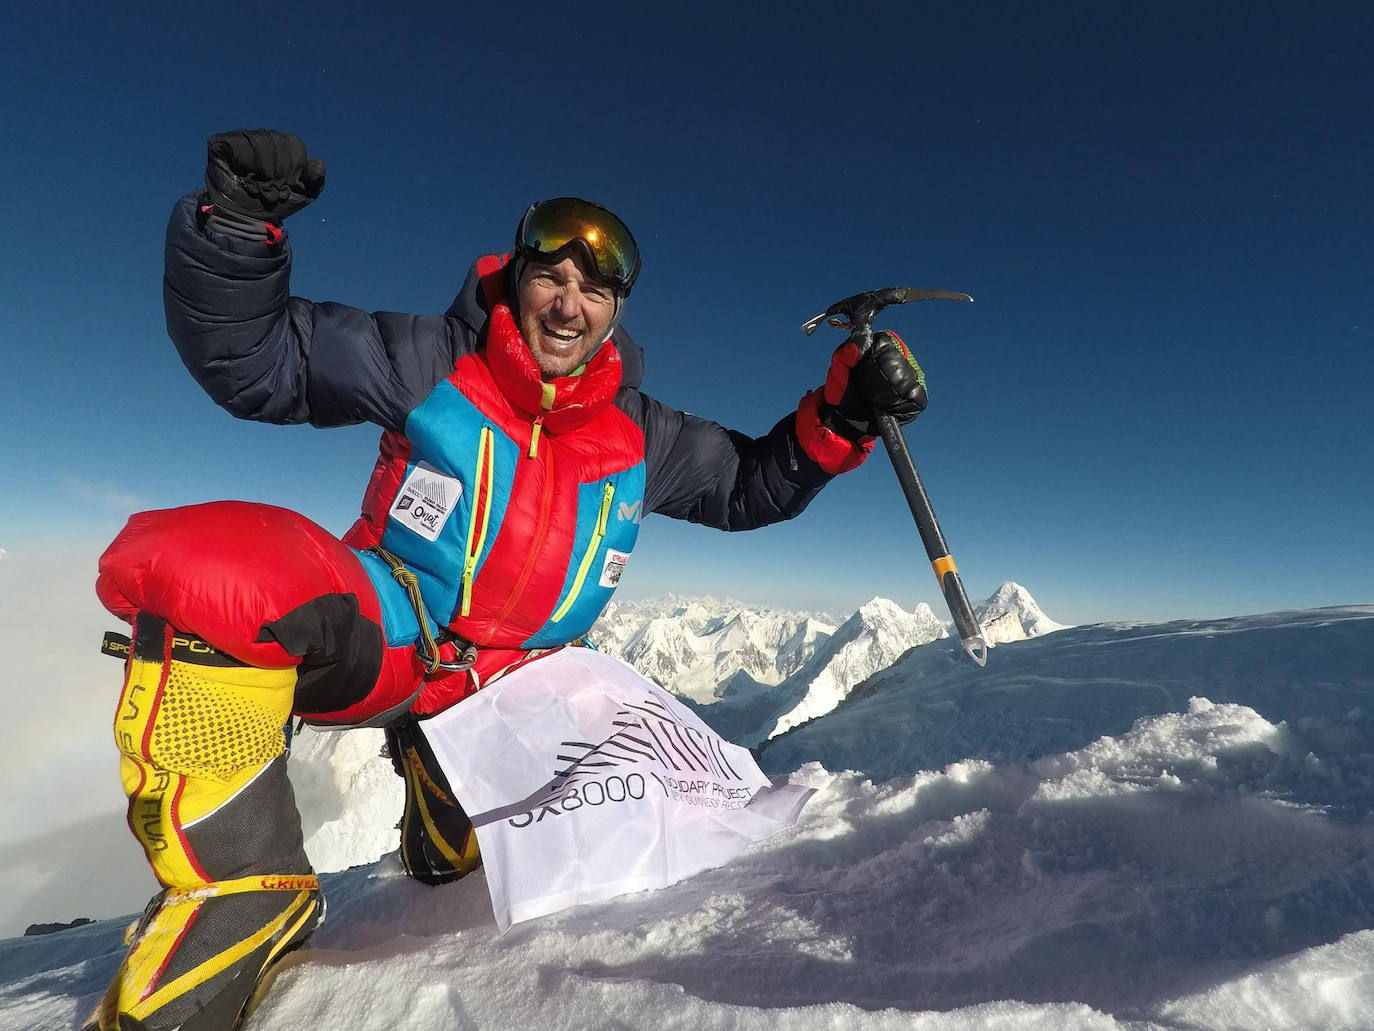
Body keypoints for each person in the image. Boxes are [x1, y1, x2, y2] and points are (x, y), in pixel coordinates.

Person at [85, 129, 928, 1031]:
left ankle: (449, 799)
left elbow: (749, 483)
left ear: (617, 311)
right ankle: (245, 891)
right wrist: (239, 230)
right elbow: (257, 360)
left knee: (502, 852)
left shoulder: (638, 435)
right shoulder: (430, 362)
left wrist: (842, 414)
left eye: (595, 290)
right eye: (551, 279)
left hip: (525, 685)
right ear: (516, 279)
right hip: (399, 627)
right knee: (219, 570)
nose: (570, 306)